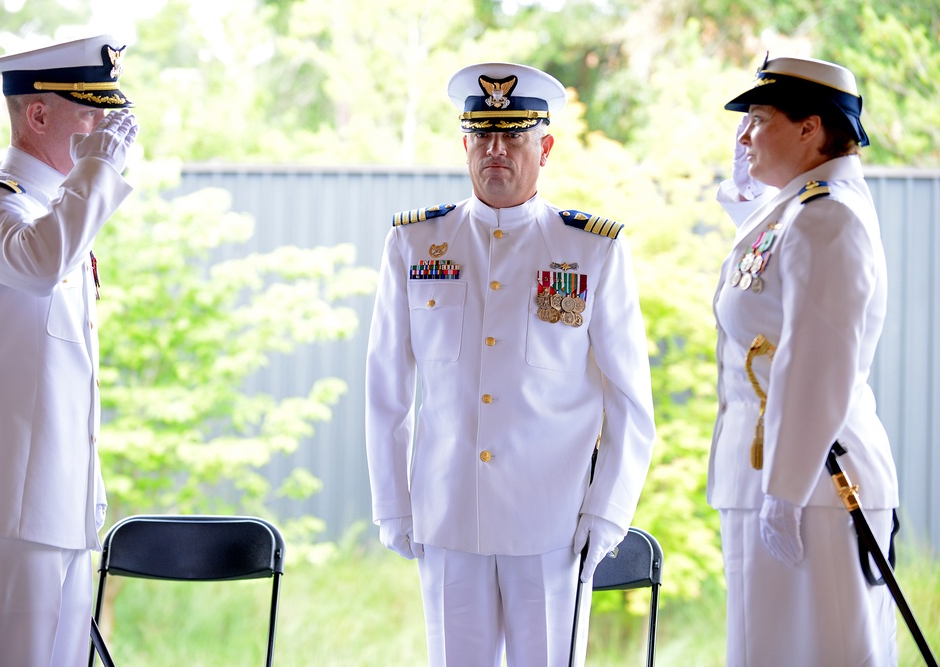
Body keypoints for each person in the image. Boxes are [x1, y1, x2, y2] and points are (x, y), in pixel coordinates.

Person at [365, 62, 655, 666]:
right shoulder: (415, 244)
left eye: (515, 134)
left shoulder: (591, 248)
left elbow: (629, 399)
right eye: (484, 134)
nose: (497, 149)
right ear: (465, 142)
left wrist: (608, 510)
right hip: (447, 515)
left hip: (552, 522)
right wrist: (394, 502)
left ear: (544, 146)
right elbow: (386, 389)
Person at [0, 35, 139, 666]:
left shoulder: (59, 216)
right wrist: (99, 171)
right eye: (88, 110)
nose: (103, 126)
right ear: (38, 114)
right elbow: (38, 262)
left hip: (62, 504)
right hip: (5, 506)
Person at [709, 55, 899, 666]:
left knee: (820, 653)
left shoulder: (827, 217)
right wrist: (746, 202)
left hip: (814, 486)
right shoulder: (806, 209)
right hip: (778, 482)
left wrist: (785, 492)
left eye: (757, 120)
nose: (743, 137)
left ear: (809, 128)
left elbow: (818, 365)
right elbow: (767, 291)